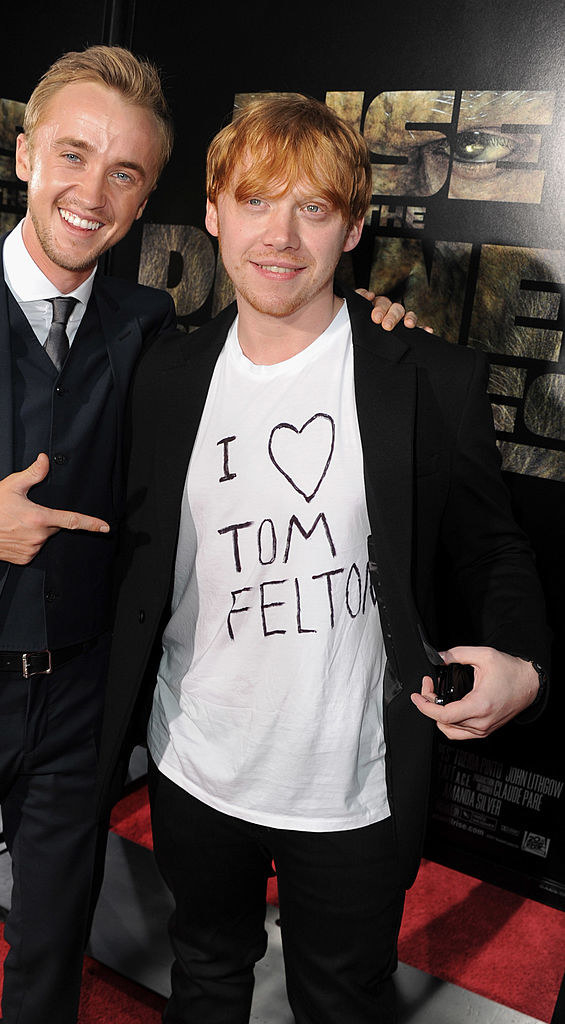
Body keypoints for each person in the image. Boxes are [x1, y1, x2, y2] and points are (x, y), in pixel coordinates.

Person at [0, 44, 414, 1023]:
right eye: (74, 155)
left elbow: (278, 319)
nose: (93, 190)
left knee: (49, 963)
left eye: (125, 172)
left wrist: (369, 317)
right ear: (23, 156)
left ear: (145, 202)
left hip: (79, 712)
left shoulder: (148, 322)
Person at [96, 94, 551, 1024]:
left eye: (313, 208)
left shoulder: (428, 379)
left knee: (341, 1001)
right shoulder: (160, 373)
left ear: (351, 227)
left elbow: (491, 546)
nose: (281, 236)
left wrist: (526, 663)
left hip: (356, 783)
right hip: (195, 763)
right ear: (214, 213)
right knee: (205, 975)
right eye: (257, 201)